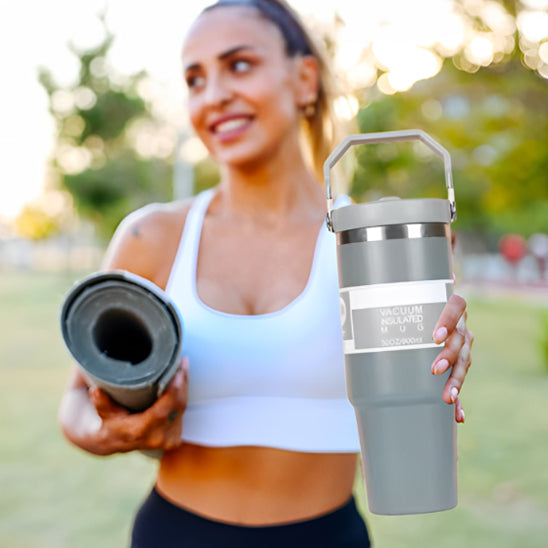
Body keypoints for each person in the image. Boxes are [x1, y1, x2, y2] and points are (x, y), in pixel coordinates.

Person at [58, 1, 474, 546]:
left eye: (239, 65)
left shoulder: (376, 239)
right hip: (173, 532)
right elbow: (74, 400)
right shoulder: (151, 237)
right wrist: (110, 430)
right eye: (194, 79)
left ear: (305, 80)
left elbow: (414, 444)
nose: (213, 95)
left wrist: (439, 363)